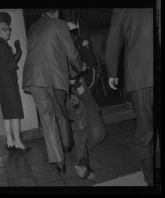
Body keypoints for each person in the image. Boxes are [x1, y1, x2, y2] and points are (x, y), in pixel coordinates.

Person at [22, 9, 83, 173]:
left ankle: (58, 161)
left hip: (34, 78)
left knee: (47, 119)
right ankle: (66, 142)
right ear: (55, 12)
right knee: (60, 112)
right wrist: (81, 66)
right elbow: (71, 52)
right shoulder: (60, 24)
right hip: (53, 76)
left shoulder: (33, 27)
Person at [105, 9, 153, 186]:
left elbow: (114, 40)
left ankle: (152, 178)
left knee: (146, 130)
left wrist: (112, 71)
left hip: (140, 75)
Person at [66, 22, 107, 179]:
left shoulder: (81, 43)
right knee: (82, 126)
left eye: (71, 33)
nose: (69, 35)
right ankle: (82, 161)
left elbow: (89, 65)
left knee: (96, 131)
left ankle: (82, 157)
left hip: (82, 86)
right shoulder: (62, 47)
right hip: (74, 90)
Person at [0, 12, 30, 152]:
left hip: (3, 85)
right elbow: (9, 65)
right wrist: (19, 52)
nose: (9, 32)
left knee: (8, 115)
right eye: (7, 29)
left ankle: (10, 142)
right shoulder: (2, 45)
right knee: (15, 114)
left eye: (9, 29)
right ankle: (17, 142)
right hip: (8, 85)